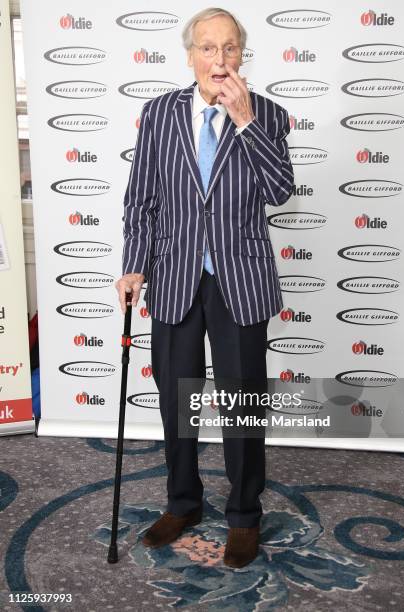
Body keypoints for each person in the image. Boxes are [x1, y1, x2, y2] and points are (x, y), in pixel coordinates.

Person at [115, 7, 294, 568]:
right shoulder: (160, 113)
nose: (221, 61)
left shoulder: (268, 114)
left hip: (240, 278)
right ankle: (183, 501)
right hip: (173, 277)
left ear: (243, 55)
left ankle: (244, 514)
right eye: (209, 48)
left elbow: (281, 189)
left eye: (231, 49)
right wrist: (132, 266)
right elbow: (141, 198)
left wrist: (245, 122)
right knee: (176, 400)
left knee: (242, 403)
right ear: (190, 55)